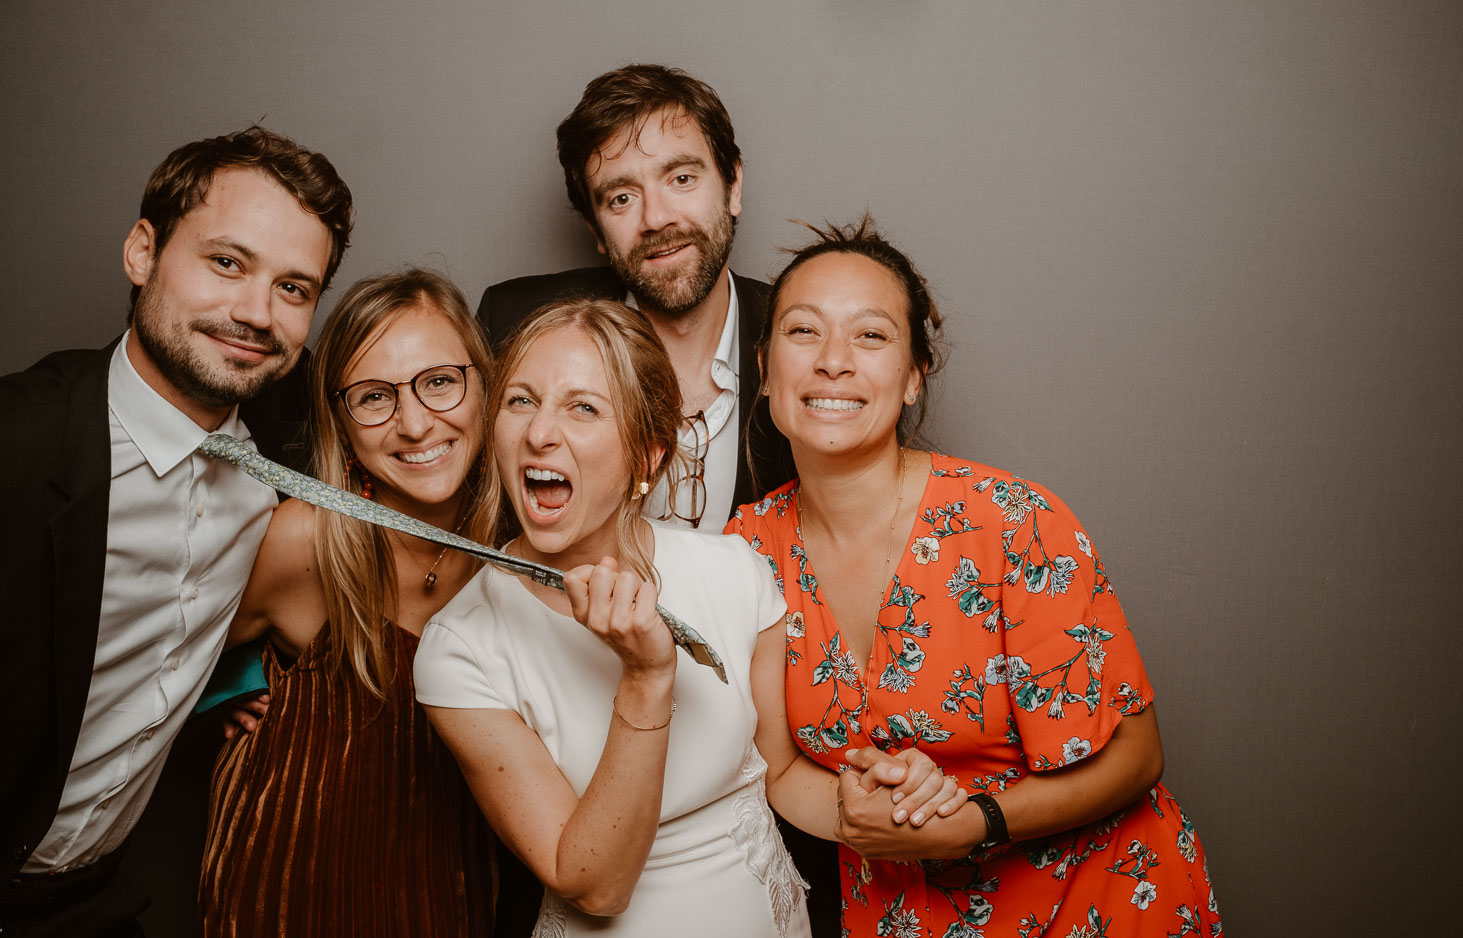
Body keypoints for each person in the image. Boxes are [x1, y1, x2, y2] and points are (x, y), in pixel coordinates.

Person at [729, 218, 1223, 937]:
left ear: (911, 377)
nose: (833, 361)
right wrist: (857, 811)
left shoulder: (1014, 524)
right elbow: (774, 771)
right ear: (767, 366)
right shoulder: (745, 553)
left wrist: (976, 822)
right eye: (803, 331)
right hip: (912, 914)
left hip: (1098, 900)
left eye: (870, 336)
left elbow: (1138, 754)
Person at [412, 299, 964, 937]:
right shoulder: (460, 648)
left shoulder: (734, 571)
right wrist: (648, 678)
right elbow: (594, 883)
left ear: (647, 456)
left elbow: (780, 776)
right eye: (520, 401)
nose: (540, 433)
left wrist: (869, 806)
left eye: (584, 407)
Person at [0, 126, 352, 936]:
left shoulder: (280, 478)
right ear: (142, 252)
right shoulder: (18, 443)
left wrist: (230, 694)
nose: (255, 313)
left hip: (89, 903)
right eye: (226, 262)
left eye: (294, 289)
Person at [197, 269, 502, 935]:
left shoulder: (522, 548)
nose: (416, 423)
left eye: (440, 381)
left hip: (448, 890)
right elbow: (151, 645)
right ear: (342, 419)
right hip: (294, 890)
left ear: (485, 383)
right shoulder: (306, 539)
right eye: (373, 397)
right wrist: (227, 685)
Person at [476, 64, 794, 533]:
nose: (657, 218)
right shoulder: (513, 323)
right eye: (621, 198)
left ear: (733, 185)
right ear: (596, 230)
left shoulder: (801, 339)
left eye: (682, 179)